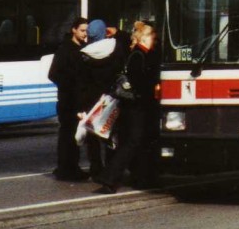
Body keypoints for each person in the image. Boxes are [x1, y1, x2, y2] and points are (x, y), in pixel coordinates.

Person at [95, 21, 161, 194]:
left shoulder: (141, 53)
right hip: (136, 107)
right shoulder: (139, 55)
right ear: (144, 37)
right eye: (152, 36)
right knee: (132, 142)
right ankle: (109, 178)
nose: (155, 39)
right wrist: (154, 88)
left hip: (135, 106)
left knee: (136, 142)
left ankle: (140, 178)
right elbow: (140, 83)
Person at [77, 20, 128, 179]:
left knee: (93, 137)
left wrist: (82, 106)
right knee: (111, 133)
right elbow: (127, 41)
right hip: (111, 98)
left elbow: (82, 82)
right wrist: (117, 32)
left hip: (92, 99)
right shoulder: (116, 47)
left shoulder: (84, 54)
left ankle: (96, 167)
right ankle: (111, 168)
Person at [48, 16, 89, 181]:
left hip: (76, 100)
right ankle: (67, 169)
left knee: (72, 136)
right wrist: (70, 85)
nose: (84, 34)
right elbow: (53, 74)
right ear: (74, 29)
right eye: (82, 30)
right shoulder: (65, 49)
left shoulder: (83, 48)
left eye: (86, 31)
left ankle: (69, 167)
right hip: (68, 100)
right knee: (68, 135)